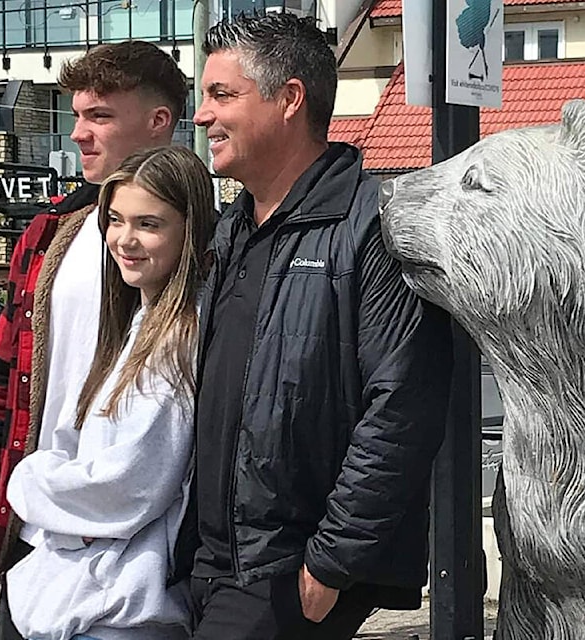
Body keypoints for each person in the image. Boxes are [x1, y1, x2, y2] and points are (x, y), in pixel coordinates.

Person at [190, 12, 453, 639]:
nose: (201, 116)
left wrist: (334, 559)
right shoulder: (232, 230)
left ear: (289, 100)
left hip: (289, 569)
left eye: (222, 95)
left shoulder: (370, 227)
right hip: (208, 562)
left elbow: (403, 406)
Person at [0, 40, 189, 640]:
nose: (78, 134)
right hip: (34, 540)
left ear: (158, 122)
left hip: (152, 566)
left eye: (99, 116)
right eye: (76, 115)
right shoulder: (49, 235)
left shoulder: (211, 245)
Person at [3, 146, 214, 640]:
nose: (125, 239)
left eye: (149, 224)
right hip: (98, 600)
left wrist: (29, 481)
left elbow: (127, 485)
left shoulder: (181, 335)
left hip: (121, 611)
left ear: (190, 228)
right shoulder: (141, 321)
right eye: (115, 220)